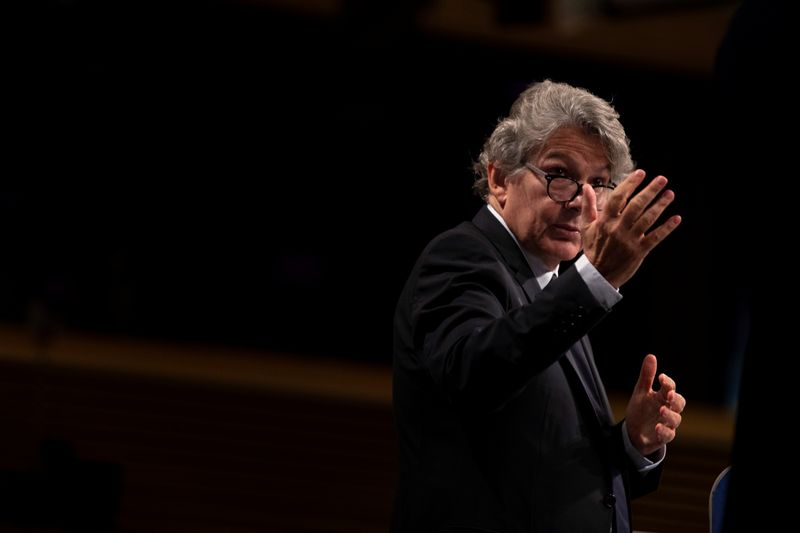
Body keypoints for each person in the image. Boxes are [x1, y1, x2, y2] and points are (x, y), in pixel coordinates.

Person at [391, 79, 686, 533]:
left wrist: (632, 442)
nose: (582, 203)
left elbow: (559, 477)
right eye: (560, 176)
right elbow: (474, 377)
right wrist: (597, 278)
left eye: (599, 183)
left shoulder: (556, 285)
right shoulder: (461, 256)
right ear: (499, 178)